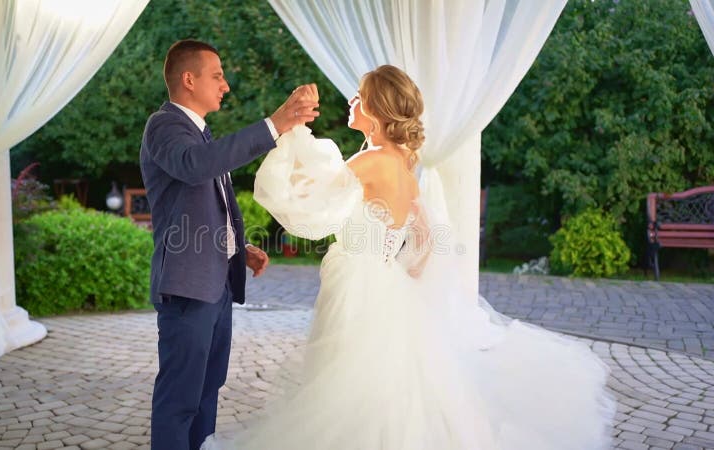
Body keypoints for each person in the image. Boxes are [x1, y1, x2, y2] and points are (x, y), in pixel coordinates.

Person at [202, 65, 616, 450]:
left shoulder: (371, 161)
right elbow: (424, 237)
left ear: (378, 110)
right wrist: (401, 275)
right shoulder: (402, 163)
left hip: (357, 283)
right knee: (388, 381)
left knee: (348, 380)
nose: (351, 102)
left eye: (359, 97)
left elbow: (302, 204)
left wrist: (291, 134)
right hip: (382, 279)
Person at [139, 39, 318, 450]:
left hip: (215, 285)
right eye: (217, 76)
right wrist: (274, 125)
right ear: (189, 79)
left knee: (206, 394)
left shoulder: (201, 133)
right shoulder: (164, 125)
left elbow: (208, 197)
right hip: (187, 288)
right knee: (180, 399)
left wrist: (237, 247)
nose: (226, 86)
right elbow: (195, 167)